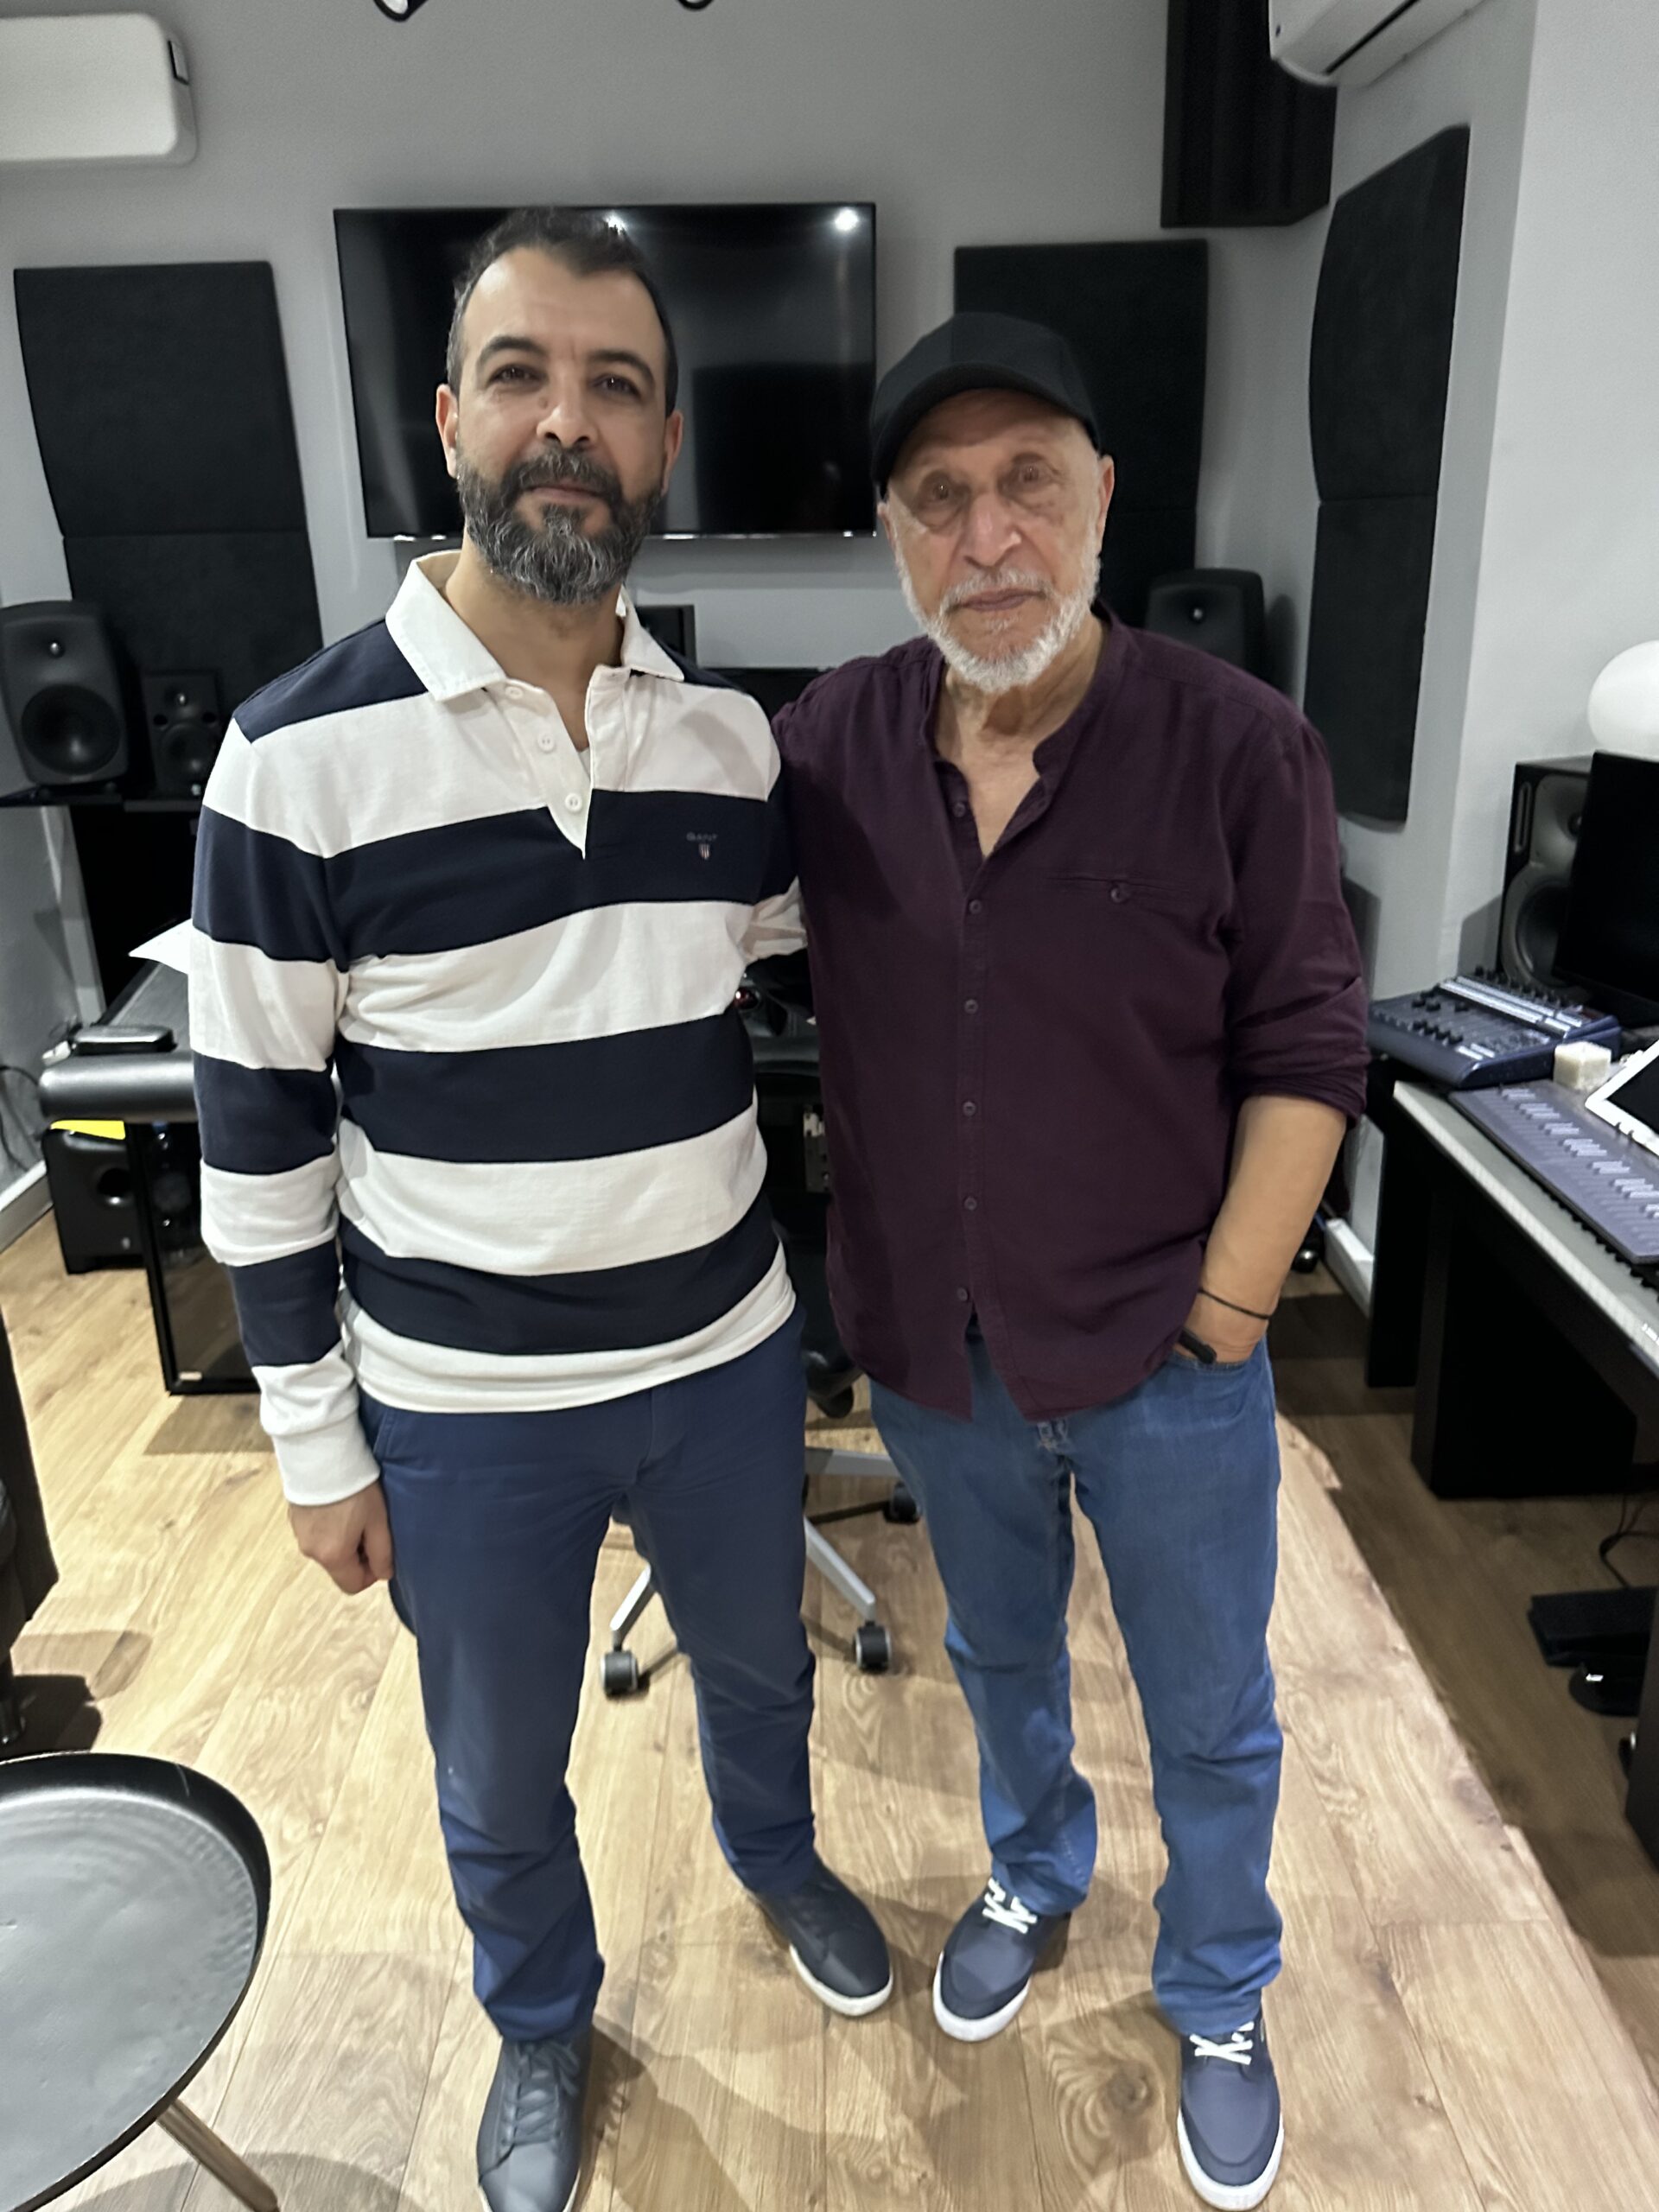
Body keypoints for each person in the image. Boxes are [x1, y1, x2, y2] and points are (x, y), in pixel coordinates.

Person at [191, 207, 889, 2212]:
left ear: (664, 443)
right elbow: (257, 1139)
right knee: (497, 1762)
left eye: (615, 386)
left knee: (760, 1669)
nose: (565, 423)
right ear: (450, 423)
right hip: (463, 1398)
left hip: (726, 1361)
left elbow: (801, 958)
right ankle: (537, 2013)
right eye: (522, 377)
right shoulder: (292, 758)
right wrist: (315, 1441)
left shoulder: (730, 745)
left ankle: (777, 1856)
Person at [774, 312, 1368, 2210]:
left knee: (1209, 1705)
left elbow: (1311, 1049)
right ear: (894, 534)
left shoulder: (1238, 747)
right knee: (998, 1647)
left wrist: (1228, 1312)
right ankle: (1034, 1871)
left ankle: (1219, 1987)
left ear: (1104, 493)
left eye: (1028, 481)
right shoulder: (829, 745)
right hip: (937, 1350)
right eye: (939, 498)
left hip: (1165, 1353)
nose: (990, 537)